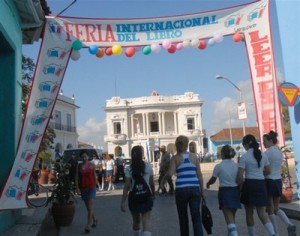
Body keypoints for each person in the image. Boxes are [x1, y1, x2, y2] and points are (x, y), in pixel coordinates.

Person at [161, 135, 204, 236]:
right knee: (196, 218)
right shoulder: (194, 157)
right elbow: (199, 175)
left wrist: (163, 180)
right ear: (187, 145)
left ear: (176, 145)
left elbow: (170, 173)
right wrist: (201, 191)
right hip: (194, 189)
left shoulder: (175, 158)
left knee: (183, 218)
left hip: (181, 190)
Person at [237, 134, 276, 236]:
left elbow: (240, 176)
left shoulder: (244, 157)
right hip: (261, 184)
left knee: (249, 213)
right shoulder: (263, 155)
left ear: (246, 144)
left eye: (243, 144)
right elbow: (268, 170)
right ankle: (273, 234)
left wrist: (239, 187)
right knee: (262, 213)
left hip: (249, 185)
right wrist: (260, 175)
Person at [263, 130, 296, 236]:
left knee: (270, 208)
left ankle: (275, 233)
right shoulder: (279, 152)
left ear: (270, 140)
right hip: (277, 180)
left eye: (264, 141)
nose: (263, 143)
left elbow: (265, 168)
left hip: (269, 180)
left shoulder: (267, 153)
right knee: (277, 206)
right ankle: (289, 224)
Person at [206, 145, 241, 236]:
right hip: (236, 191)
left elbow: (213, 179)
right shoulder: (236, 166)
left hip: (225, 192)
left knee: (229, 220)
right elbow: (241, 179)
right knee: (232, 218)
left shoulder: (219, 166)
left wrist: (208, 184)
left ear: (222, 154)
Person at [121, 146, 155, 236]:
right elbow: (151, 183)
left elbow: (127, 186)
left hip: (134, 197)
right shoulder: (148, 166)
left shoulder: (129, 168)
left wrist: (123, 201)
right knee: (146, 220)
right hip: (146, 196)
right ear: (142, 154)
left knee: (136, 221)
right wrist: (153, 194)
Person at [75, 150, 98, 233]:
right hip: (83, 188)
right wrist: (77, 188)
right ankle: (94, 220)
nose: (84, 158)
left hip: (91, 187)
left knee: (90, 206)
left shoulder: (92, 165)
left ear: (88, 156)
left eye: (86, 156)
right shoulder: (79, 166)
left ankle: (88, 225)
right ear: (81, 157)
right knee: (88, 207)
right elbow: (77, 178)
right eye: (83, 157)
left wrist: (96, 185)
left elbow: (94, 176)